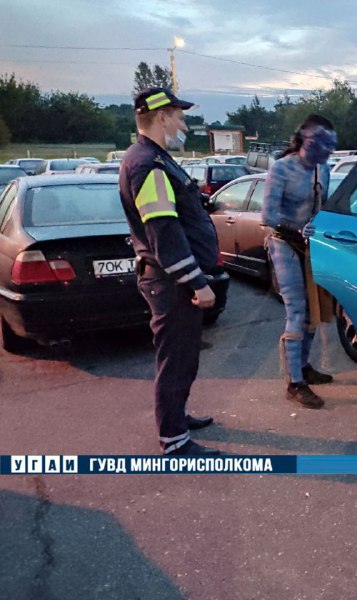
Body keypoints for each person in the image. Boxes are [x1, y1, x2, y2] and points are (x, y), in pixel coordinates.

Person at [119, 87, 220, 455]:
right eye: (179, 116)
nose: (183, 123)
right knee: (175, 358)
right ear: (161, 117)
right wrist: (195, 281)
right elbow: (164, 230)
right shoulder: (149, 163)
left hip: (171, 279)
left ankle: (177, 415)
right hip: (170, 281)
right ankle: (174, 439)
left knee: (184, 356)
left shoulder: (156, 159)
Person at [262, 114, 337, 409]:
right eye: (322, 142)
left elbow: (325, 207)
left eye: (331, 145)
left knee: (312, 313)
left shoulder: (324, 169)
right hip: (284, 244)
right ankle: (294, 382)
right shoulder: (281, 169)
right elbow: (268, 217)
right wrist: (297, 229)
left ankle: (303, 367)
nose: (327, 150)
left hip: (310, 247)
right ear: (305, 140)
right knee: (296, 312)